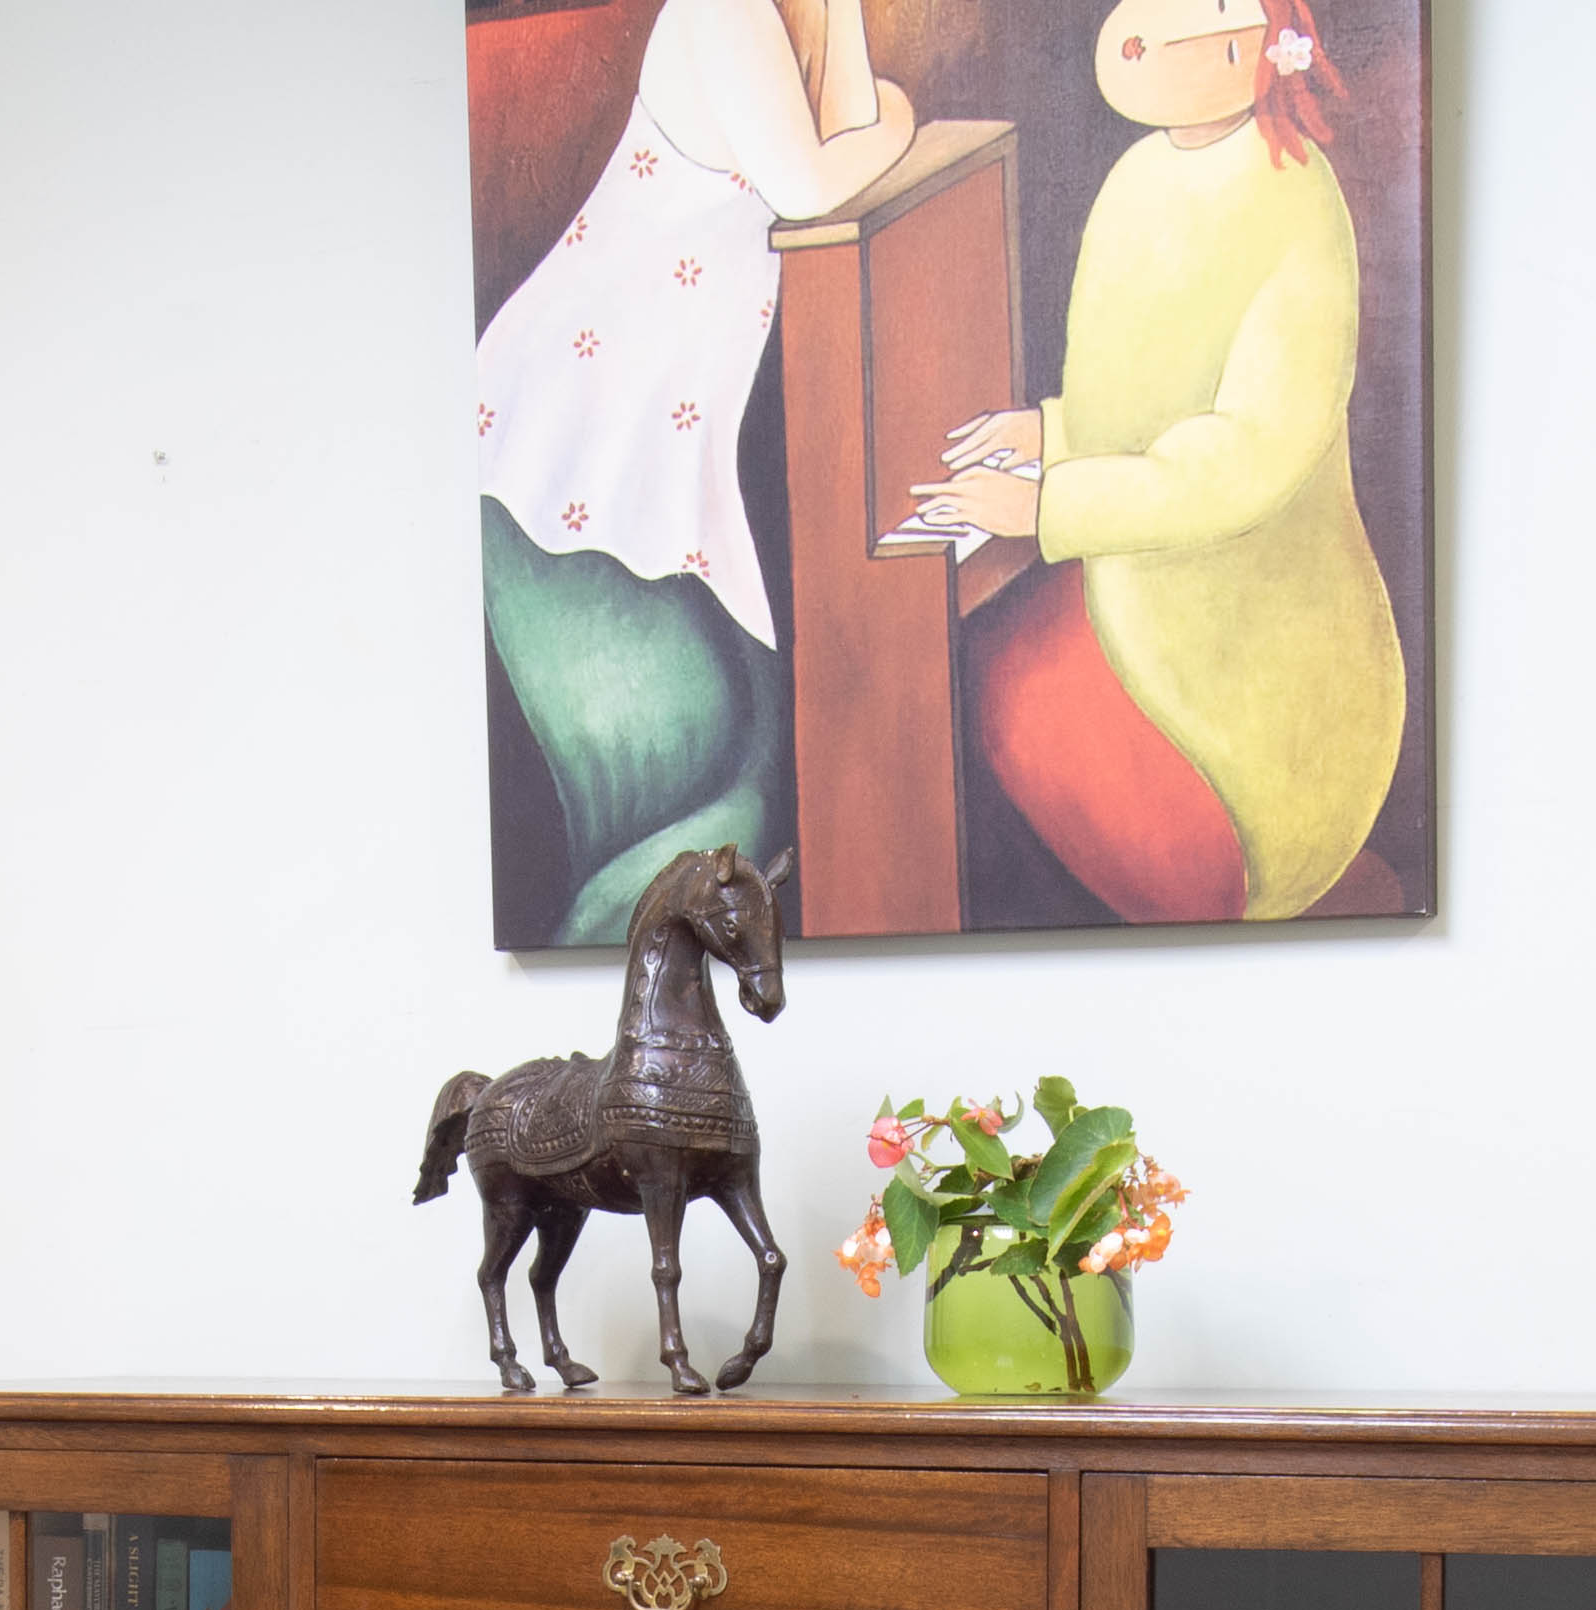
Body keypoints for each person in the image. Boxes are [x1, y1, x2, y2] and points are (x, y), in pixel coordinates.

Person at [919, 0, 1403, 924]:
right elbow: (1141, 405)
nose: (1143, 29)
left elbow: (1245, 455)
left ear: (1260, 43)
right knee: (969, 676)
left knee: (1006, 691)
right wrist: (1049, 433)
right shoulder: (1141, 169)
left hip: (1248, 706)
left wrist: (1049, 505)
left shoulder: (1296, 199)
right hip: (1136, 589)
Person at [478, 0, 914, 944]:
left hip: (660, 464)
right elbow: (809, 184)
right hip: (559, 466)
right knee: (693, 812)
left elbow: (844, 135)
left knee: (755, 778)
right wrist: (902, 119)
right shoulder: (723, 10)